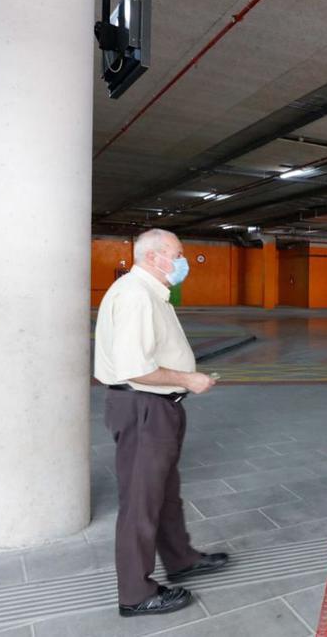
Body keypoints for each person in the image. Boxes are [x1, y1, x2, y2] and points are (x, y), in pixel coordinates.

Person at [94, 228, 227, 617]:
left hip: (155, 409)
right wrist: (190, 379)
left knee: (164, 492)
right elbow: (136, 368)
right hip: (144, 409)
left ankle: (181, 558)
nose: (184, 261)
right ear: (155, 256)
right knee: (141, 502)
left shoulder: (151, 292)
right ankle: (136, 594)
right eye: (179, 254)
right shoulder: (137, 296)